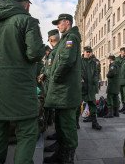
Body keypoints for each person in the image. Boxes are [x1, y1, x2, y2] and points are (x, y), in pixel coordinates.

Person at [0, 0, 44, 164]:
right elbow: (34, 53)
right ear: (25, 4)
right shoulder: (28, 21)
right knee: (27, 131)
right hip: (21, 89)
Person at [44, 14, 81, 163]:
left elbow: (66, 61)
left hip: (65, 91)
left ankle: (67, 159)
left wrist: (55, 78)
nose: (58, 26)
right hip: (62, 92)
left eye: (59, 23)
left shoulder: (71, 37)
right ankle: (60, 155)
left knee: (67, 126)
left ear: (67, 22)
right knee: (60, 123)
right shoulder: (66, 38)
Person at [76, 46, 102, 130]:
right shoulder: (78, 61)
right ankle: (75, 123)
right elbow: (76, 71)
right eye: (87, 51)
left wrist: (95, 83)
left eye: (89, 52)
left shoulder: (93, 62)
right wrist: (79, 78)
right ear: (83, 52)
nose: (88, 53)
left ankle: (94, 123)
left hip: (90, 87)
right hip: (81, 87)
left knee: (93, 105)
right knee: (77, 105)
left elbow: (95, 73)